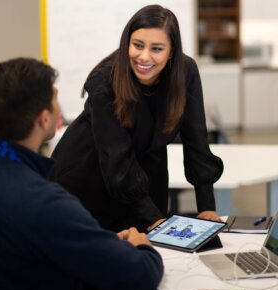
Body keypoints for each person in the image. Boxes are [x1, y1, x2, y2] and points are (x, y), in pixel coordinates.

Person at [0, 57, 163, 290]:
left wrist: (95, 241)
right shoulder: (46, 202)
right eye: (55, 99)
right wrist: (142, 246)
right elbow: (141, 275)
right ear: (44, 119)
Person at [50, 4, 224, 233]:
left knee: (155, 250)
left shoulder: (185, 72)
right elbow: (116, 157)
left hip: (145, 173)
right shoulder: (104, 80)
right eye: (138, 45)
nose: (144, 57)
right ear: (127, 43)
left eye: (157, 49)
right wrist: (153, 217)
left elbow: (196, 141)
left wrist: (206, 208)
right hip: (89, 174)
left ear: (172, 51)